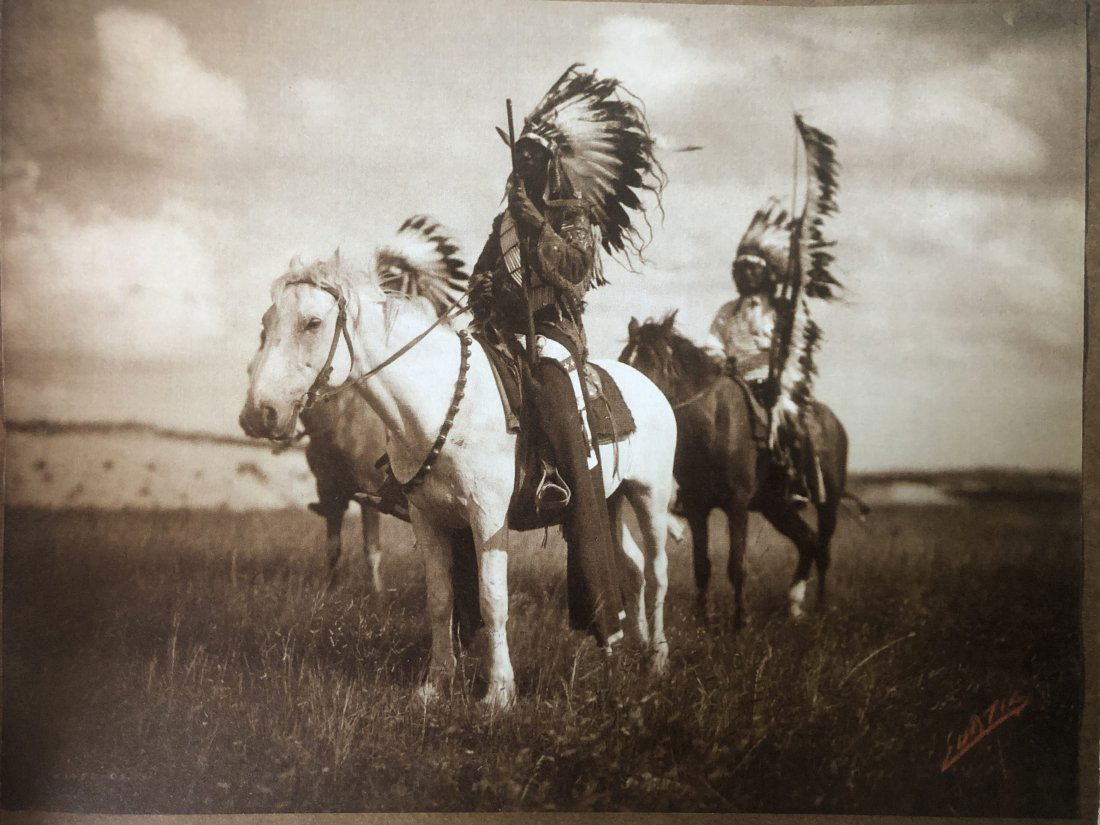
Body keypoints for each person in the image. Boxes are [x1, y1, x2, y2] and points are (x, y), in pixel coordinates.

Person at [469, 65, 665, 649]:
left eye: (532, 158)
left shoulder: (572, 216)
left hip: (555, 337)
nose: (521, 167)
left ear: (549, 164)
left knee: (554, 394)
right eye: (517, 159)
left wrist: (540, 230)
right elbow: (482, 276)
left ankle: (562, 480)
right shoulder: (504, 222)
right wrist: (482, 300)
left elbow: (577, 277)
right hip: (502, 335)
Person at [705, 197, 812, 503]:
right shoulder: (727, 311)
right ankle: (695, 488)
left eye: (750, 269)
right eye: (738, 269)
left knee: (787, 419)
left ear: (766, 274)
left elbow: (797, 346)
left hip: (773, 381)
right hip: (733, 381)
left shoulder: (781, 310)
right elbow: (712, 343)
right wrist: (719, 360)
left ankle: (795, 480)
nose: (742, 274)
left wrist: (780, 364)